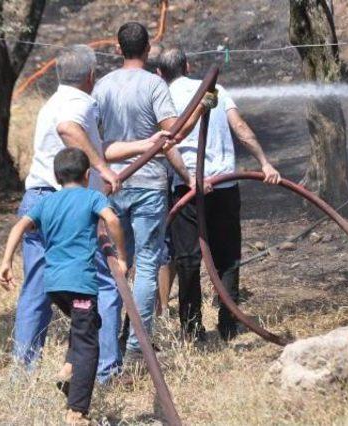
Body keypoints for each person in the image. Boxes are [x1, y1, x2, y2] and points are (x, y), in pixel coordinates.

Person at [11, 45, 167, 384]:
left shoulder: (55, 101)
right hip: (69, 207)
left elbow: (96, 146)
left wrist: (146, 144)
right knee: (106, 283)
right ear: (90, 76)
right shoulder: (80, 103)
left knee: (37, 289)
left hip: (39, 200)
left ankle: (22, 375)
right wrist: (102, 170)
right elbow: (70, 130)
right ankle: (105, 370)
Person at [92, 22, 217, 361]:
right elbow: (171, 136)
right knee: (147, 264)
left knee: (116, 264)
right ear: (148, 50)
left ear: (118, 49)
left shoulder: (102, 86)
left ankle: (108, 347)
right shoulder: (154, 84)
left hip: (113, 184)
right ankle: (136, 346)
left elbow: (96, 142)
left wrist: (186, 175)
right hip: (147, 186)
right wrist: (202, 107)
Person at [157, 47, 281, 342]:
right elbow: (240, 127)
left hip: (187, 189)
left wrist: (188, 178)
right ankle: (228, 324)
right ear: (188, 65)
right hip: (225, 186)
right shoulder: (216, 90)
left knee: (188, 259)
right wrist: (265, 162)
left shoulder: (161, 98)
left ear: (160, 74)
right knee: (227, 257)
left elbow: (166, 143)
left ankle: (192, 329)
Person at [0, 148, 127, 425]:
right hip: (81, 283)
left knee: (87, 324)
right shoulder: (93, 196)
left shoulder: (47, 203)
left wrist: (7, 261)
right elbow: (113, 220)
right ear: (87, 174)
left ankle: (68, 369)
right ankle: (76, 412)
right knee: (89, 346)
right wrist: (122, 257)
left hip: (54, 286)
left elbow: (19, 226)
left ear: (56, 178)